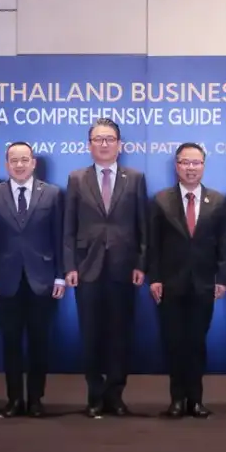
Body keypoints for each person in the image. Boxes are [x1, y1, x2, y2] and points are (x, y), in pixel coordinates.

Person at [63, 118, 148, 417]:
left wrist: (141, 263)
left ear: (119, 145)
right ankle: (95, 396)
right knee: (91, 335)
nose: (104, 144)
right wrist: (70, 265)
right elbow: (68, 226)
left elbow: (142, 226)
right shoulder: (76, 178)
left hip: (124, 269)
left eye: (109, 139)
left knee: (120, 335)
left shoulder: (135, 178)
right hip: (87, 267)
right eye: (98, 139)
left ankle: (115, 394)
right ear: (89, 145)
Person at [0, 142, 65, 417]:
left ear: (33, 163)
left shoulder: (52, 194)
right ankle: (14, 399)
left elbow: (60, 237)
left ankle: (36, 399)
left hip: (43, 280)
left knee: (40, 343)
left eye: (24, 159)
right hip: (5, 281)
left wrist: (61, 276)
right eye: (14, 160)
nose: (19, 165)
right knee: (11, 343)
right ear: (6, 164)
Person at [148, 143, 226, 419]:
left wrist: (222, 278)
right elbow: (153, 244)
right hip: (170, 283)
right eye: (185, 163)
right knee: (174, 343)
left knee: (196, 343)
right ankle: (176, 400)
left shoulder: (217, 201)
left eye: (196, 163)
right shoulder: (161, 200)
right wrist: (155, 278)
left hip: (204, 283)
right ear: (176, 166)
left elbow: (224, 244)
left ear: (203, 166)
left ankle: (196, 400)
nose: (191, 168)